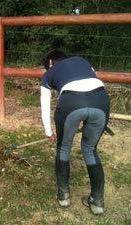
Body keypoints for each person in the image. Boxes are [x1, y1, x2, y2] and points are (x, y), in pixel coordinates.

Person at [40, 50, 109, 215]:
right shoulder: (82, 60)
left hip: (71, 104)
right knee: (90, 149)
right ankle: (97, 201)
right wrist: (88, 120)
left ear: (50, 62)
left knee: (63, 148)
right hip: (101, 100)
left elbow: (44, 105)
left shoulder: (49, 72)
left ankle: (64, 196)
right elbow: (93, 84)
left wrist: (49, 132)